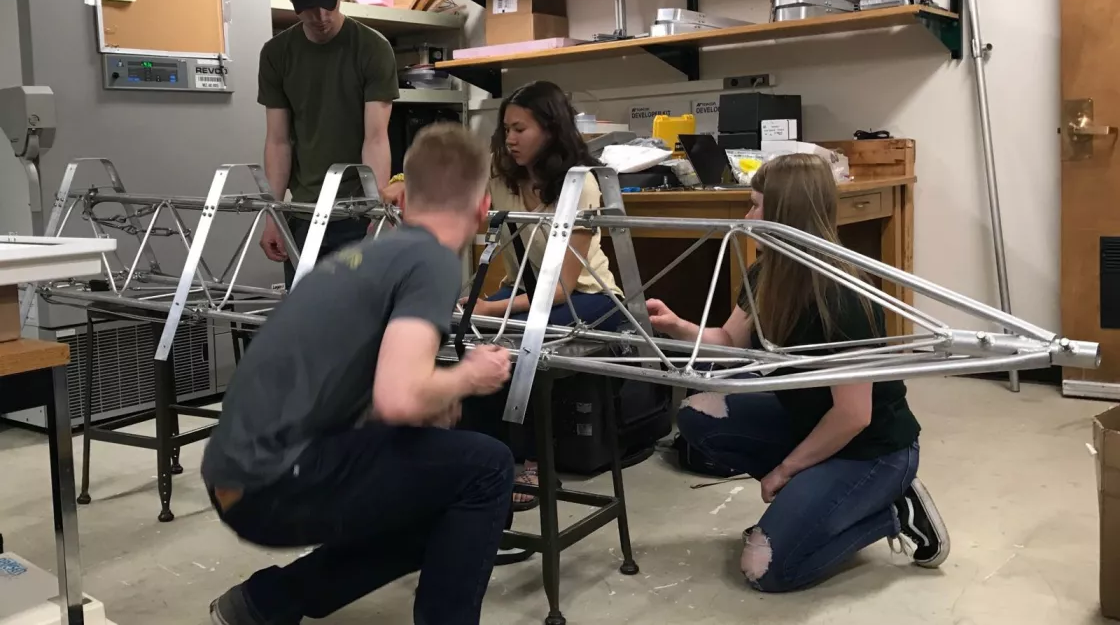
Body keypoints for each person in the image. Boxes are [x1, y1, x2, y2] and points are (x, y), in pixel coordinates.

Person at [202, 124, 514, 625]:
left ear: (404, 198)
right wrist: (468, 377)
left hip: (236, 479)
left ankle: (265, 604)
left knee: (442, 496)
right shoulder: (430, 260)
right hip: (275, 482)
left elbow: (352, 384)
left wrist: (424, 400)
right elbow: (399, 398)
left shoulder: (368, 256)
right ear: (482, 209)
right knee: (489, 468)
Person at [647, 152, 950, 593]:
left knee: (765, 570)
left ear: (786, 212)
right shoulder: (768, 272)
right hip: (814, 426)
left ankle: (892, 511)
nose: (748, 216)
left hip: (872, 450)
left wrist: (784, 471)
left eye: (755, 204)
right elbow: (729, 342)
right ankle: (816, 503)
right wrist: (676, 324)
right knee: (698, 411)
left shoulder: (842, 296)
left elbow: (854, 416)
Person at [461, 80, 625, 511]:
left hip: (587, 297)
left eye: (520, 129)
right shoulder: (503, 180)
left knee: (520, 344)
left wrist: (490, 307)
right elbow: (453, 195)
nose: (510, 139)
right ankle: (481, 455)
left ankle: (527, 459)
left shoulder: (579, 184)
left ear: (550, 130)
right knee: (463, 337)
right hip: (524, 293)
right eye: (506, 130)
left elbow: (559, 290)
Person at [257, 0, 402, 289]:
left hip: (357, 211)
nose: (320, 16)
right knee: (304, 320)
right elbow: (278, 141)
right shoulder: (277, 54)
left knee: (359, 316)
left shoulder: (372, 48)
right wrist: (272, 214)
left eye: (328, 3)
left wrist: (378, 214)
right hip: (305, 214)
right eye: (308, 7)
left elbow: (376, 137)